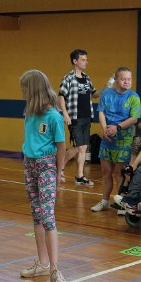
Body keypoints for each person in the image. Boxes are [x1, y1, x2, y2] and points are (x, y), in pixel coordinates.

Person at [18, 70, 68, 282]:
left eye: (25, 89)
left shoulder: (54, 117)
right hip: (30, 164)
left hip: (47, 166)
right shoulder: (29, 114)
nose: (22, 93)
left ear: (34, 90)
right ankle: (42, 263)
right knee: (37, 215)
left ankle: (55, 270)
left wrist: (59, 173)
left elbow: (61, 147)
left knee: (48, 217)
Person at [90, 67, 141, 212]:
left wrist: (117, 128)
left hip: (124, 140)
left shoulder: (134, 97)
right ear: (116, 80)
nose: (127, 82)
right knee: (106, 172)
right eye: (124, 79)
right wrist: (105, 128)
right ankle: (105, 201)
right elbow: (101, 112)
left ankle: (121, 203)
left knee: (119, 173)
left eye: (129, 79)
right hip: (107, 139)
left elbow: (134, 119)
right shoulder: (106, 94)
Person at [58, 49, 99, 186]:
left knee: (83, 148)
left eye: (86, 59)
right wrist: (65, 113)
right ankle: (60, 167)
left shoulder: (87, 78)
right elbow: (61, 96)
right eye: (83, 59)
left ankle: (80, 176)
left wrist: (106, 88)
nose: (86, 62)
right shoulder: (68, 78)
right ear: (75, 61)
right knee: (77, 146)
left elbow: (94, 94)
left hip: (87, 116)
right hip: (74, 116)